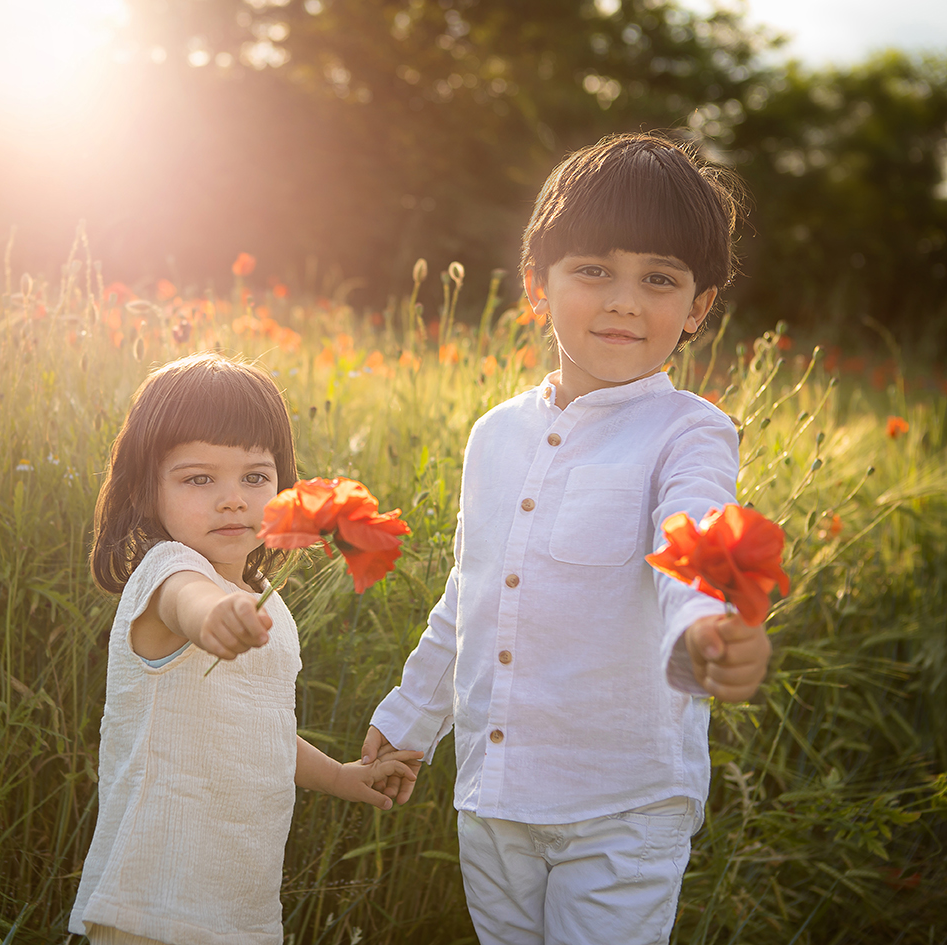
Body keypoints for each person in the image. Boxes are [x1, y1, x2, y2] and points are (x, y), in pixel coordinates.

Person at [360, 133, 772, 945]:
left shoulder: (687, 432)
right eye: (593, 270)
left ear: (697, 307)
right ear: (535, 287)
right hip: (496, 794)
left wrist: (706, 623)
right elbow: (471, 589)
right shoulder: (494, 433)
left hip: (622, 803)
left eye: (658, 278)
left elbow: (692, 524)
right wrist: (412, 713)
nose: (623, 300)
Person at [71, 352, 422, 945]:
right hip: (153, 899)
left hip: (238, 904)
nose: (232, 499)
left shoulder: (266, 602)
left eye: (254, 477)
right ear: (147, 492)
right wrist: (215, 616)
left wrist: (339, 775)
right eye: (199, 478)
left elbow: (258, 732)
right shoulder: (168, 571)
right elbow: (187, 602)